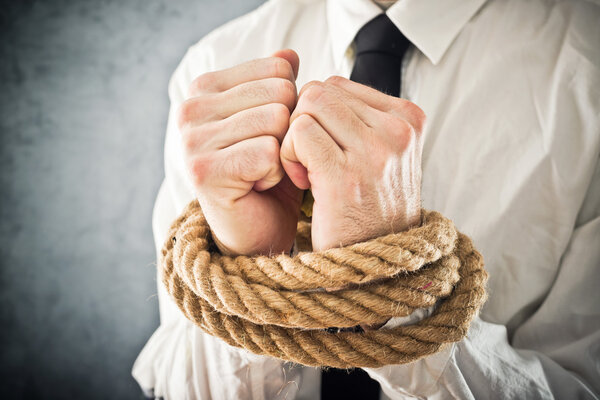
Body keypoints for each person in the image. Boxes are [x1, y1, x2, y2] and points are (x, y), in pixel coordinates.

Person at [132, 0, 600, 398]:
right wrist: (250, 268)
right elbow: (176, 382)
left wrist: (392, 281)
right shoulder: (213, 69)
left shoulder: (589, 68)